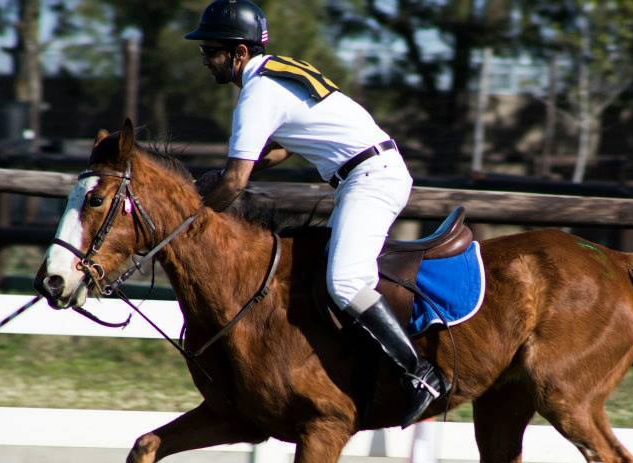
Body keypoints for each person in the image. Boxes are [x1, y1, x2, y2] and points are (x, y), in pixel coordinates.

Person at [185, 0, 447, 426]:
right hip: (373, 171)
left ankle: (420, 374)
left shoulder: (256, 93)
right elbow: (287, 144)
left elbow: (235, 184)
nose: (204, 60)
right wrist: (241, 166)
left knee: (345, 282)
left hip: (370, 178)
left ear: (238, 53)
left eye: (210, 51)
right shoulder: (278, 72)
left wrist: (192, 223)